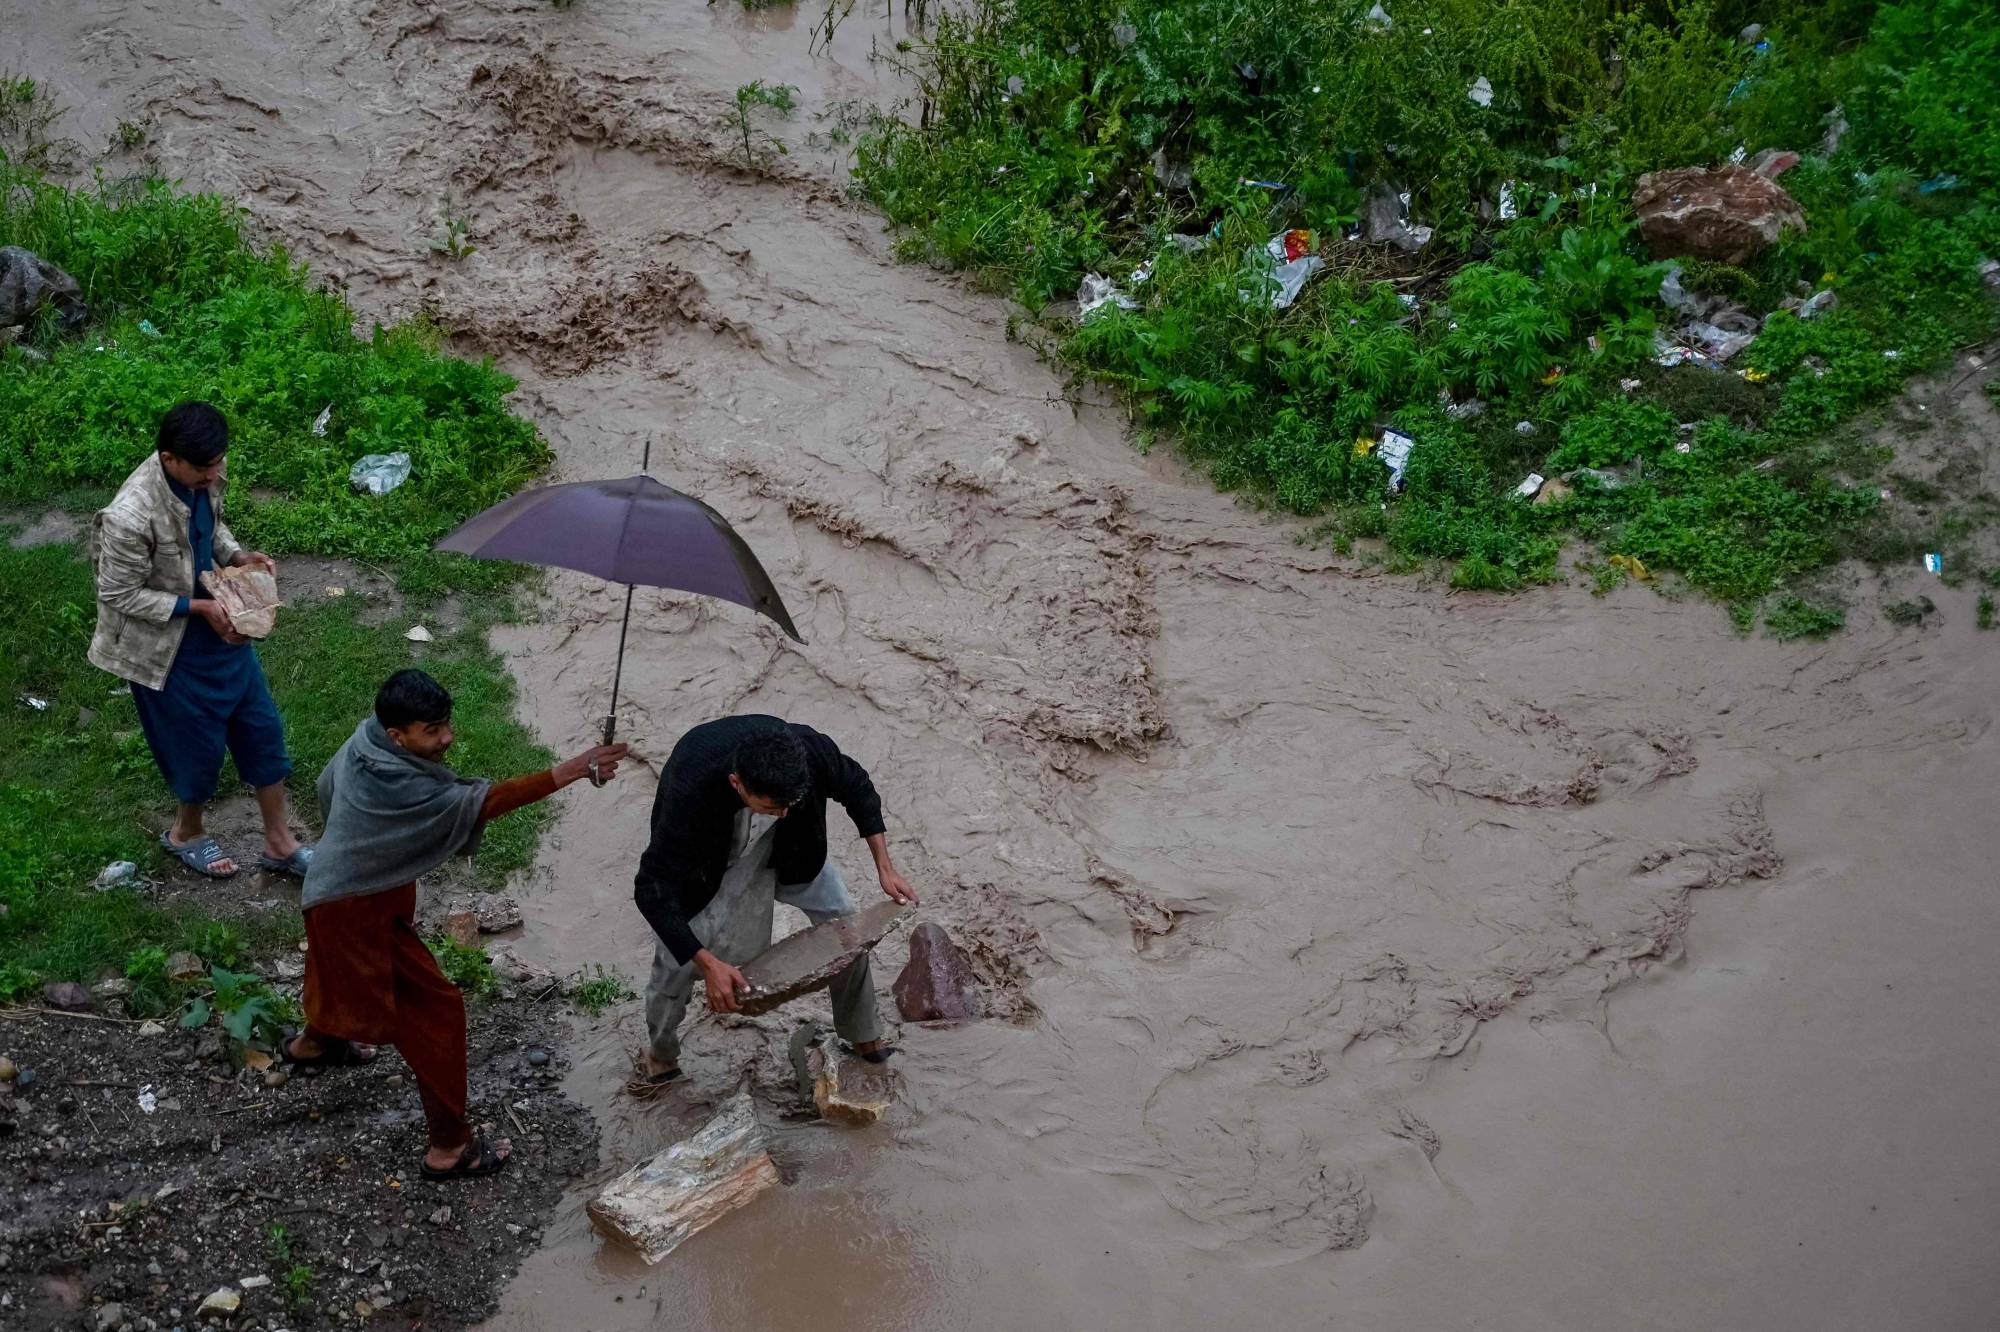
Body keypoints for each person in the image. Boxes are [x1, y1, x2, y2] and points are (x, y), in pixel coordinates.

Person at [290, 668, 627, 1180]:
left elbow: (324, 787)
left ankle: (314, 1044)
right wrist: (574, 769)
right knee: (436, 1015)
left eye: (447, 723)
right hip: (352, 906)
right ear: (397, 735)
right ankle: (449, 1147)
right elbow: (476, 804)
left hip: (342, 886)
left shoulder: (365, 740)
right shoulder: (399, 779)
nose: (447, 738)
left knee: (332, 965)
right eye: (433, 730)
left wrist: (365, 846)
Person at [629, 715, 919, 1097]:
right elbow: (650, 889)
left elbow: (857, 785)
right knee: (675, 962)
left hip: (794, 852)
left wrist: (885, 866)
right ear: (737, 783)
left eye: (789, 804)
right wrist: (708, 963)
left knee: (847, 928)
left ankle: (864, 1036)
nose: (783, 812)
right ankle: (661, 1056)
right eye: (771, 806)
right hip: (711, 861)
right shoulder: (690, 788)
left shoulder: (809, 752)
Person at [88, 400, 310, 879]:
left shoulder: (205, 471)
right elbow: (116, 592)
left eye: (217, 463)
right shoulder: (131, 515)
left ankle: (279, 841)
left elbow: (207, 527)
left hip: (219, 629)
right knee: (196, 747)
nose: (214, 474)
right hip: (167, 648)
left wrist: (236, 555)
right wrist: (200, 608)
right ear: (170, 459)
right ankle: (186, 832)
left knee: (262, 729)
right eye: (203, 468)